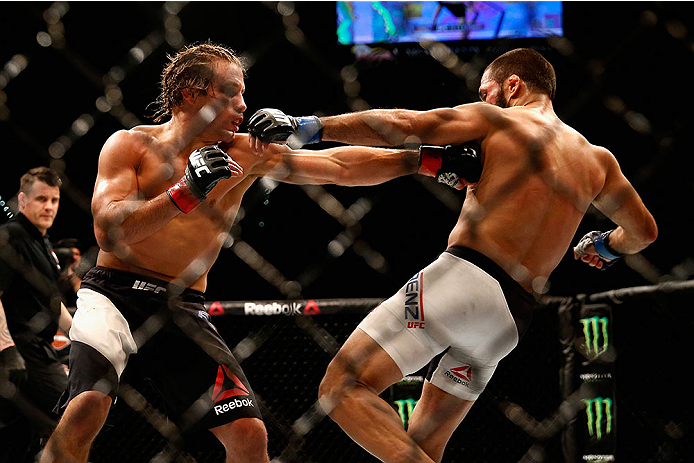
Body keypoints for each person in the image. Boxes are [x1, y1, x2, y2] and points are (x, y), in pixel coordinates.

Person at [39, 41, 479, 463]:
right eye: (232, 94)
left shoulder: (246, 153)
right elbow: (109, 230)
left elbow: (338, 167)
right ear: (193, 95)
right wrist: (187, 191)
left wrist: (422, 160)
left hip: (182, 306)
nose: (244, 107)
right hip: (114, 296)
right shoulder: (130, 145)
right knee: (86, 408)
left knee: (249, 434)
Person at [247, 48, 658, 462]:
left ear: (512, 85)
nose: (482, 101)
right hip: (510, 321)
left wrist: (311, 125)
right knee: (422, 447)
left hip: (463, 280)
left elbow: (404, 123)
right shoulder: (598, 160)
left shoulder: (499, 120)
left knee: (342, 386)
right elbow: (644, 232)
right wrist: (604, 245)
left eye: (486, 92)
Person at [0, 167, 73, 463]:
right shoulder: (11, 236)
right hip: (20, 346)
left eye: (54, 200)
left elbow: (55, 306)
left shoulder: (43, 244)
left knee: (19, 437)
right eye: (41, 199)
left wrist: (86, 337)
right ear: (22, 200)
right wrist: (6, 349)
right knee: (73, 418)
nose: (49, 207)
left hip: (37, 348)